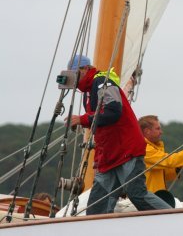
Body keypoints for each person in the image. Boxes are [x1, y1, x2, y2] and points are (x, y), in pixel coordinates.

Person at [66, 55, 171, 214]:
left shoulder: (102, 82)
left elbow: (113, 111)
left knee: (137, 195)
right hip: (109, 156)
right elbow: (101, 123)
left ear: (85, 69)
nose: (74, 77)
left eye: (75, 72)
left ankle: (177, 219)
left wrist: (82, 119)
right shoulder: (88, 92)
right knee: (97, 207)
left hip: (125, 151)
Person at [138, 115, 183, 194]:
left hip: (156, 196)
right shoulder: (144, 148)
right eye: (158, 128)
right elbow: (169, 161)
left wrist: (179, 165)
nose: (161, 132)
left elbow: (165, 174)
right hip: (148, 197)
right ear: (147, 131)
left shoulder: (152, 148)